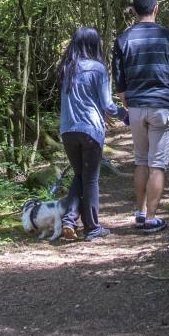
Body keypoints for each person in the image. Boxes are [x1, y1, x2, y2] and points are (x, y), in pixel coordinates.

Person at [112, 0, 169, 234]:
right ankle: (151, 219)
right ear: (156, 8)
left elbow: (119, 80)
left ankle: (140, 213)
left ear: (133, 11)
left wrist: (127, 101)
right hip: (161, 105)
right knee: (157, 164)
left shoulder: (123, 39)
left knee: (141, 161)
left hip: (136, 107)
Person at [58, 26, 125, 242]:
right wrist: (125, 115)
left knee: (80, 176)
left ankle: (69, 221)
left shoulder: (66, 68)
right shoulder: (97, 68)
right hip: (90, 131)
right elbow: (107, 104)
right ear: (94, 44)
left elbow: (79, 98)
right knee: (91, 180)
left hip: (68, 131)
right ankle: (92, 228)